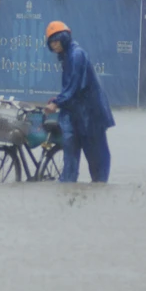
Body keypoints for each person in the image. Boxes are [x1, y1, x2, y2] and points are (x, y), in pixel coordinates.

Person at [43, 20, 115, 183]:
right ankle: (67, 188)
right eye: (51, 42)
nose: (54, 45)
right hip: (74, 114)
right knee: (70, 158)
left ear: (64, 38)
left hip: (91, 115)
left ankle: (98, 188)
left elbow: (74, 85)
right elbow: (70, 88)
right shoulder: (66, 57)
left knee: (97, 160)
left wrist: (57, 102)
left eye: (56, 40)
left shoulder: (77, 55)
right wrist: (58, 99)